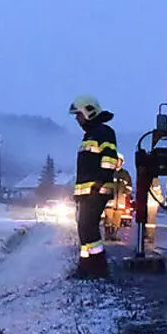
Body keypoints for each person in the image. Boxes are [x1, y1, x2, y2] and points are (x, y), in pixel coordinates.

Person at [70, 94, 118, 279]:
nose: (77, 119)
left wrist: (100, 182)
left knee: (89, 228)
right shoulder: (90, 135)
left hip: (96, 191)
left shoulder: (103, 132)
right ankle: (85, 266)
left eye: (79, 114)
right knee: (84, 229)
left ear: (89, 112)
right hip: (87, 192)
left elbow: (109, 160)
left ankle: (98, 268)